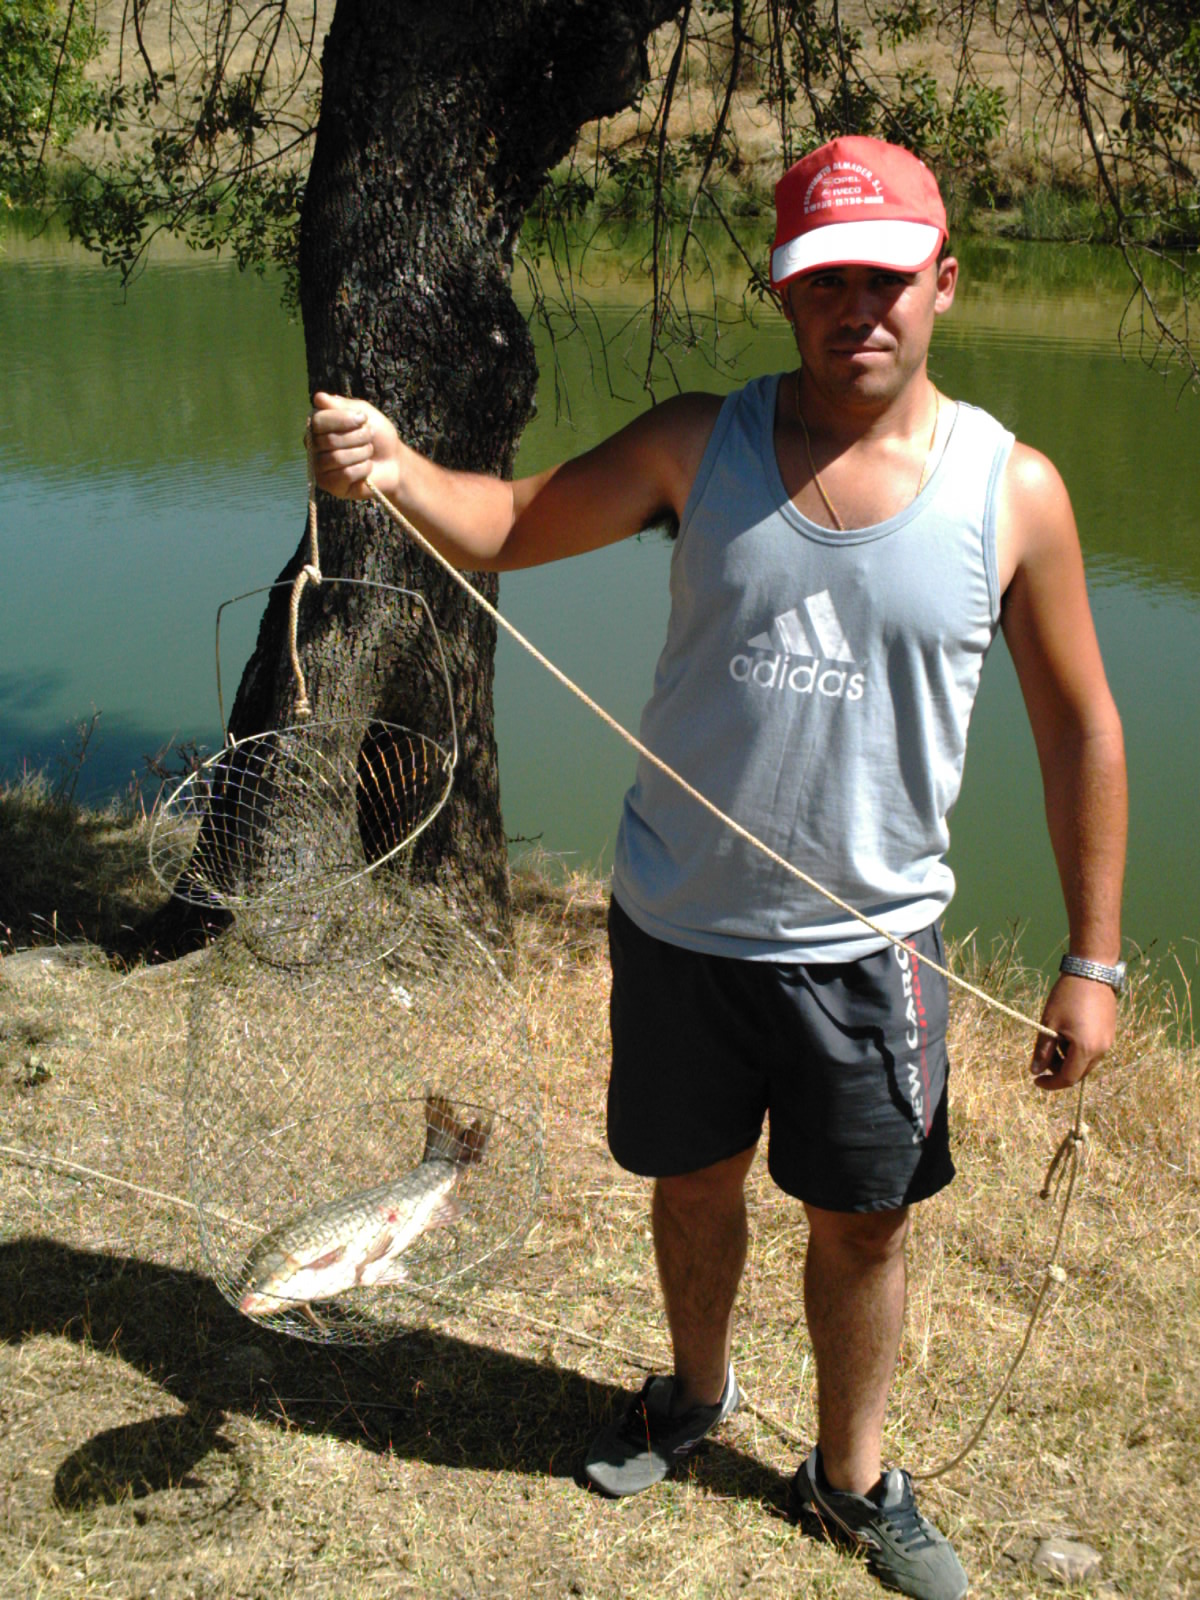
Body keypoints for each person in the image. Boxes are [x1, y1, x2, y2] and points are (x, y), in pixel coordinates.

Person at [309, 134, 1127, 1600]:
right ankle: (695, 1392)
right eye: (826, 280)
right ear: (781, 291)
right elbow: (503, 524)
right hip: (682, 929)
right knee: (693, 1188)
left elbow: (1081, 728)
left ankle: (854, 1474)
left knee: (861, 1225)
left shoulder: (1019, 492)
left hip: (871, 955)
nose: (857, 308)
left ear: (947, 281)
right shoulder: (701, 444)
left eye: (888, 277)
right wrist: (395, 468)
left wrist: (1093, 958)